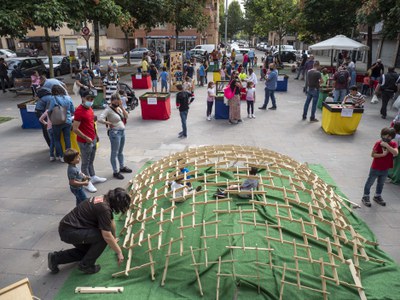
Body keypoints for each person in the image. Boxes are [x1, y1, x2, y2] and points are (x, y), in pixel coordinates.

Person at [47, 188, 131, 274]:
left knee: (88, 253)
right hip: (70, 231)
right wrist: (119, 252)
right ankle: (86, 265)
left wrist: (114, 237)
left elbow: (111, 222)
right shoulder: (104, 209)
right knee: (102, 238)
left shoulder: (105, 199)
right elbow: (106, 236)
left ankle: (55, 258)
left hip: (71, 228)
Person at [72, 90, 107, 193]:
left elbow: (91, 124)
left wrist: (96, 135)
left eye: (92, 99)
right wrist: (86, 137)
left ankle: (93, 176)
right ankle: (86, 182)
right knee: (85, 163)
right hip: (84, 142)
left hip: (93, 139)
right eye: (88, 99)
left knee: (91, 160)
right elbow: (75, 128)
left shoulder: (90, 109)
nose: (91, 101)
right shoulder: (79, 111)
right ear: (83, 98)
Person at [361, 127, 398, 207]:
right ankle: (365, 196)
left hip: (385, 168)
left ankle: (377, 196)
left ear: (392, 137)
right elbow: (373, 155)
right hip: (375, 167)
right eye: (384, 135)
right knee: (370, 182)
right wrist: (383, 155)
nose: (386, 138)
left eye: (388, 136)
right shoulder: (378, 143)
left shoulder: (393, 144)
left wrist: (387, 146)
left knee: (381, 183)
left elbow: (395, 153)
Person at [98, 93, 132, 180]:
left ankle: (122, 166)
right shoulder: (108, 109)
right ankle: (115, 171)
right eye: (116, 102)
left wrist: (121, 107)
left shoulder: (119, 108)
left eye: (118, 102)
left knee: (120, 151)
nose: (117, 103)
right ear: (112, 101)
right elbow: (100, 119)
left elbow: (126, 116)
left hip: (122, 132)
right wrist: (108, 123)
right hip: (115, 133)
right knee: (115, 152)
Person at [47, 85, 75, 161]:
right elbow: (73, 110)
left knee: (57, 139)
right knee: (67, 138)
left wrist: (51, 119)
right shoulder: (68, 98)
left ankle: (61, 156)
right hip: (68, 121)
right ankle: (69, 156)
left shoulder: (53, 99)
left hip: (57, 122)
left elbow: (50, 110)